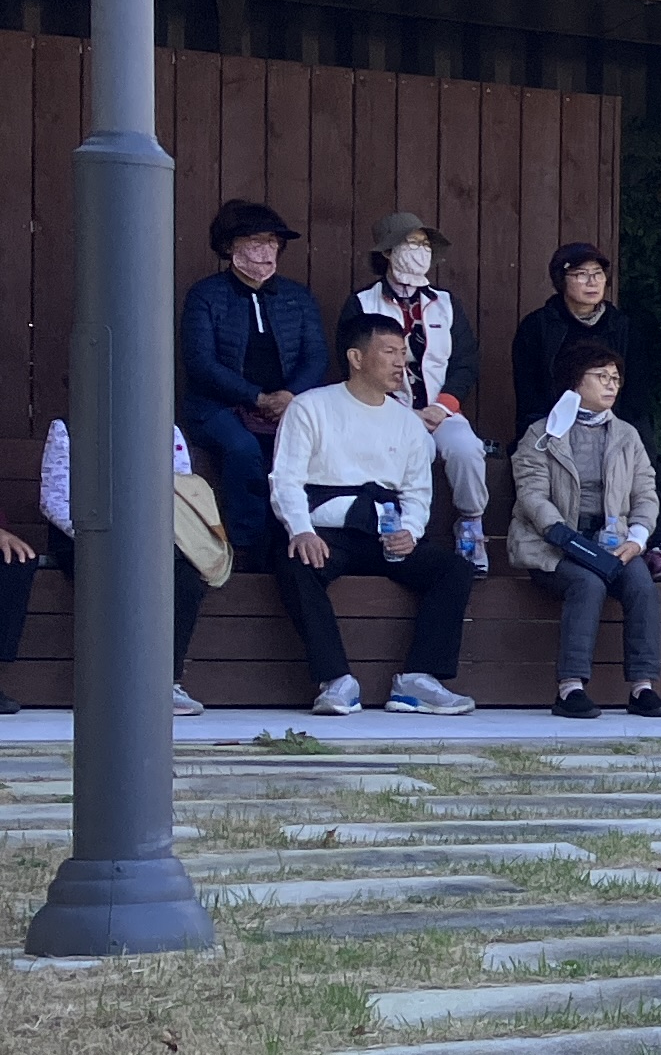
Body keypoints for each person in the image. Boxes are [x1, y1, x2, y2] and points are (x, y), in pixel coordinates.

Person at [266, 310, 477, 715]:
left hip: (384, 531)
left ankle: (418, 679)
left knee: (452, 569)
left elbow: (417, 490)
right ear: (356, 357)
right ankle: (335, 680)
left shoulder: (407, 422)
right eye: (389, 352)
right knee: (295, 563)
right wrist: (301, 530)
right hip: (326, 530)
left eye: (403, 353)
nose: (401, 363)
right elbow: (286, 479)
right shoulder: (311, 407)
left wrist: (410, 531)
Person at [0, 422, 221, 718]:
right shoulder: (67, 428)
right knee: (115, 574)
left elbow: (180, 492)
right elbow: (54, 501)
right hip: (83, 537)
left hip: (150, 537)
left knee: (185, 579)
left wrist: (148, 538)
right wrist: (103, 537)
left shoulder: (166, 428)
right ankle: (115, 684)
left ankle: (165, 682)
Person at [509, 342, 661, 720]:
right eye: (601, 376)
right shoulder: (542, 434)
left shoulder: (627, 435)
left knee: (642, 585)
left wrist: (637, 539)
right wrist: (562, 534)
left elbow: (646, 492)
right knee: (588, 584)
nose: (612, 385)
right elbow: (532, 494)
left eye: (615, 378)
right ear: (574, 381)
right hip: (553, 544)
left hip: (612, 542)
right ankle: (570, 688)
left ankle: (643, 687)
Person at [509, 243, 661, 576]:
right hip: (555, 426)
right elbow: (529, 394)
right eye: (581, 275)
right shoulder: (538, 327)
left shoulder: (623, 326)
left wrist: (616, 427)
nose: (592, 282)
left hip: (614, 424)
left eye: (598, 274)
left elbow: (636, 392)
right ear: (561, 280)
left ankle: (650, 544)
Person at [177, 200, 327, 560]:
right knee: (243, 449)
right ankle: (248, 547)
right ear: (230, 246)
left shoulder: (297, 297)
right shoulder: (206, 295)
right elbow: (201, 362)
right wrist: (256, 397)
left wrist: (290, 395)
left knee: (311, 450)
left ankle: (301, 542)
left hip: (288, 405)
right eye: (256, 241)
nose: (266, 251)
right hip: (217, 406)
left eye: (273, 242)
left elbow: (316, 356)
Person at [350, 217, 491, 571]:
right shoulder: (363, 303)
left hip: (441, 410)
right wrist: (399, 411)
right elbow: (352, 363)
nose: (419, 252)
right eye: (410, 244)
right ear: (387, 252)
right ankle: (406, 535)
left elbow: (465, 361)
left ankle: (471, 527)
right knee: (416, 452)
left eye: (424, 245)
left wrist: (443, 406)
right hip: (386, 411)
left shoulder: (446, 303)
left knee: (467, 451)